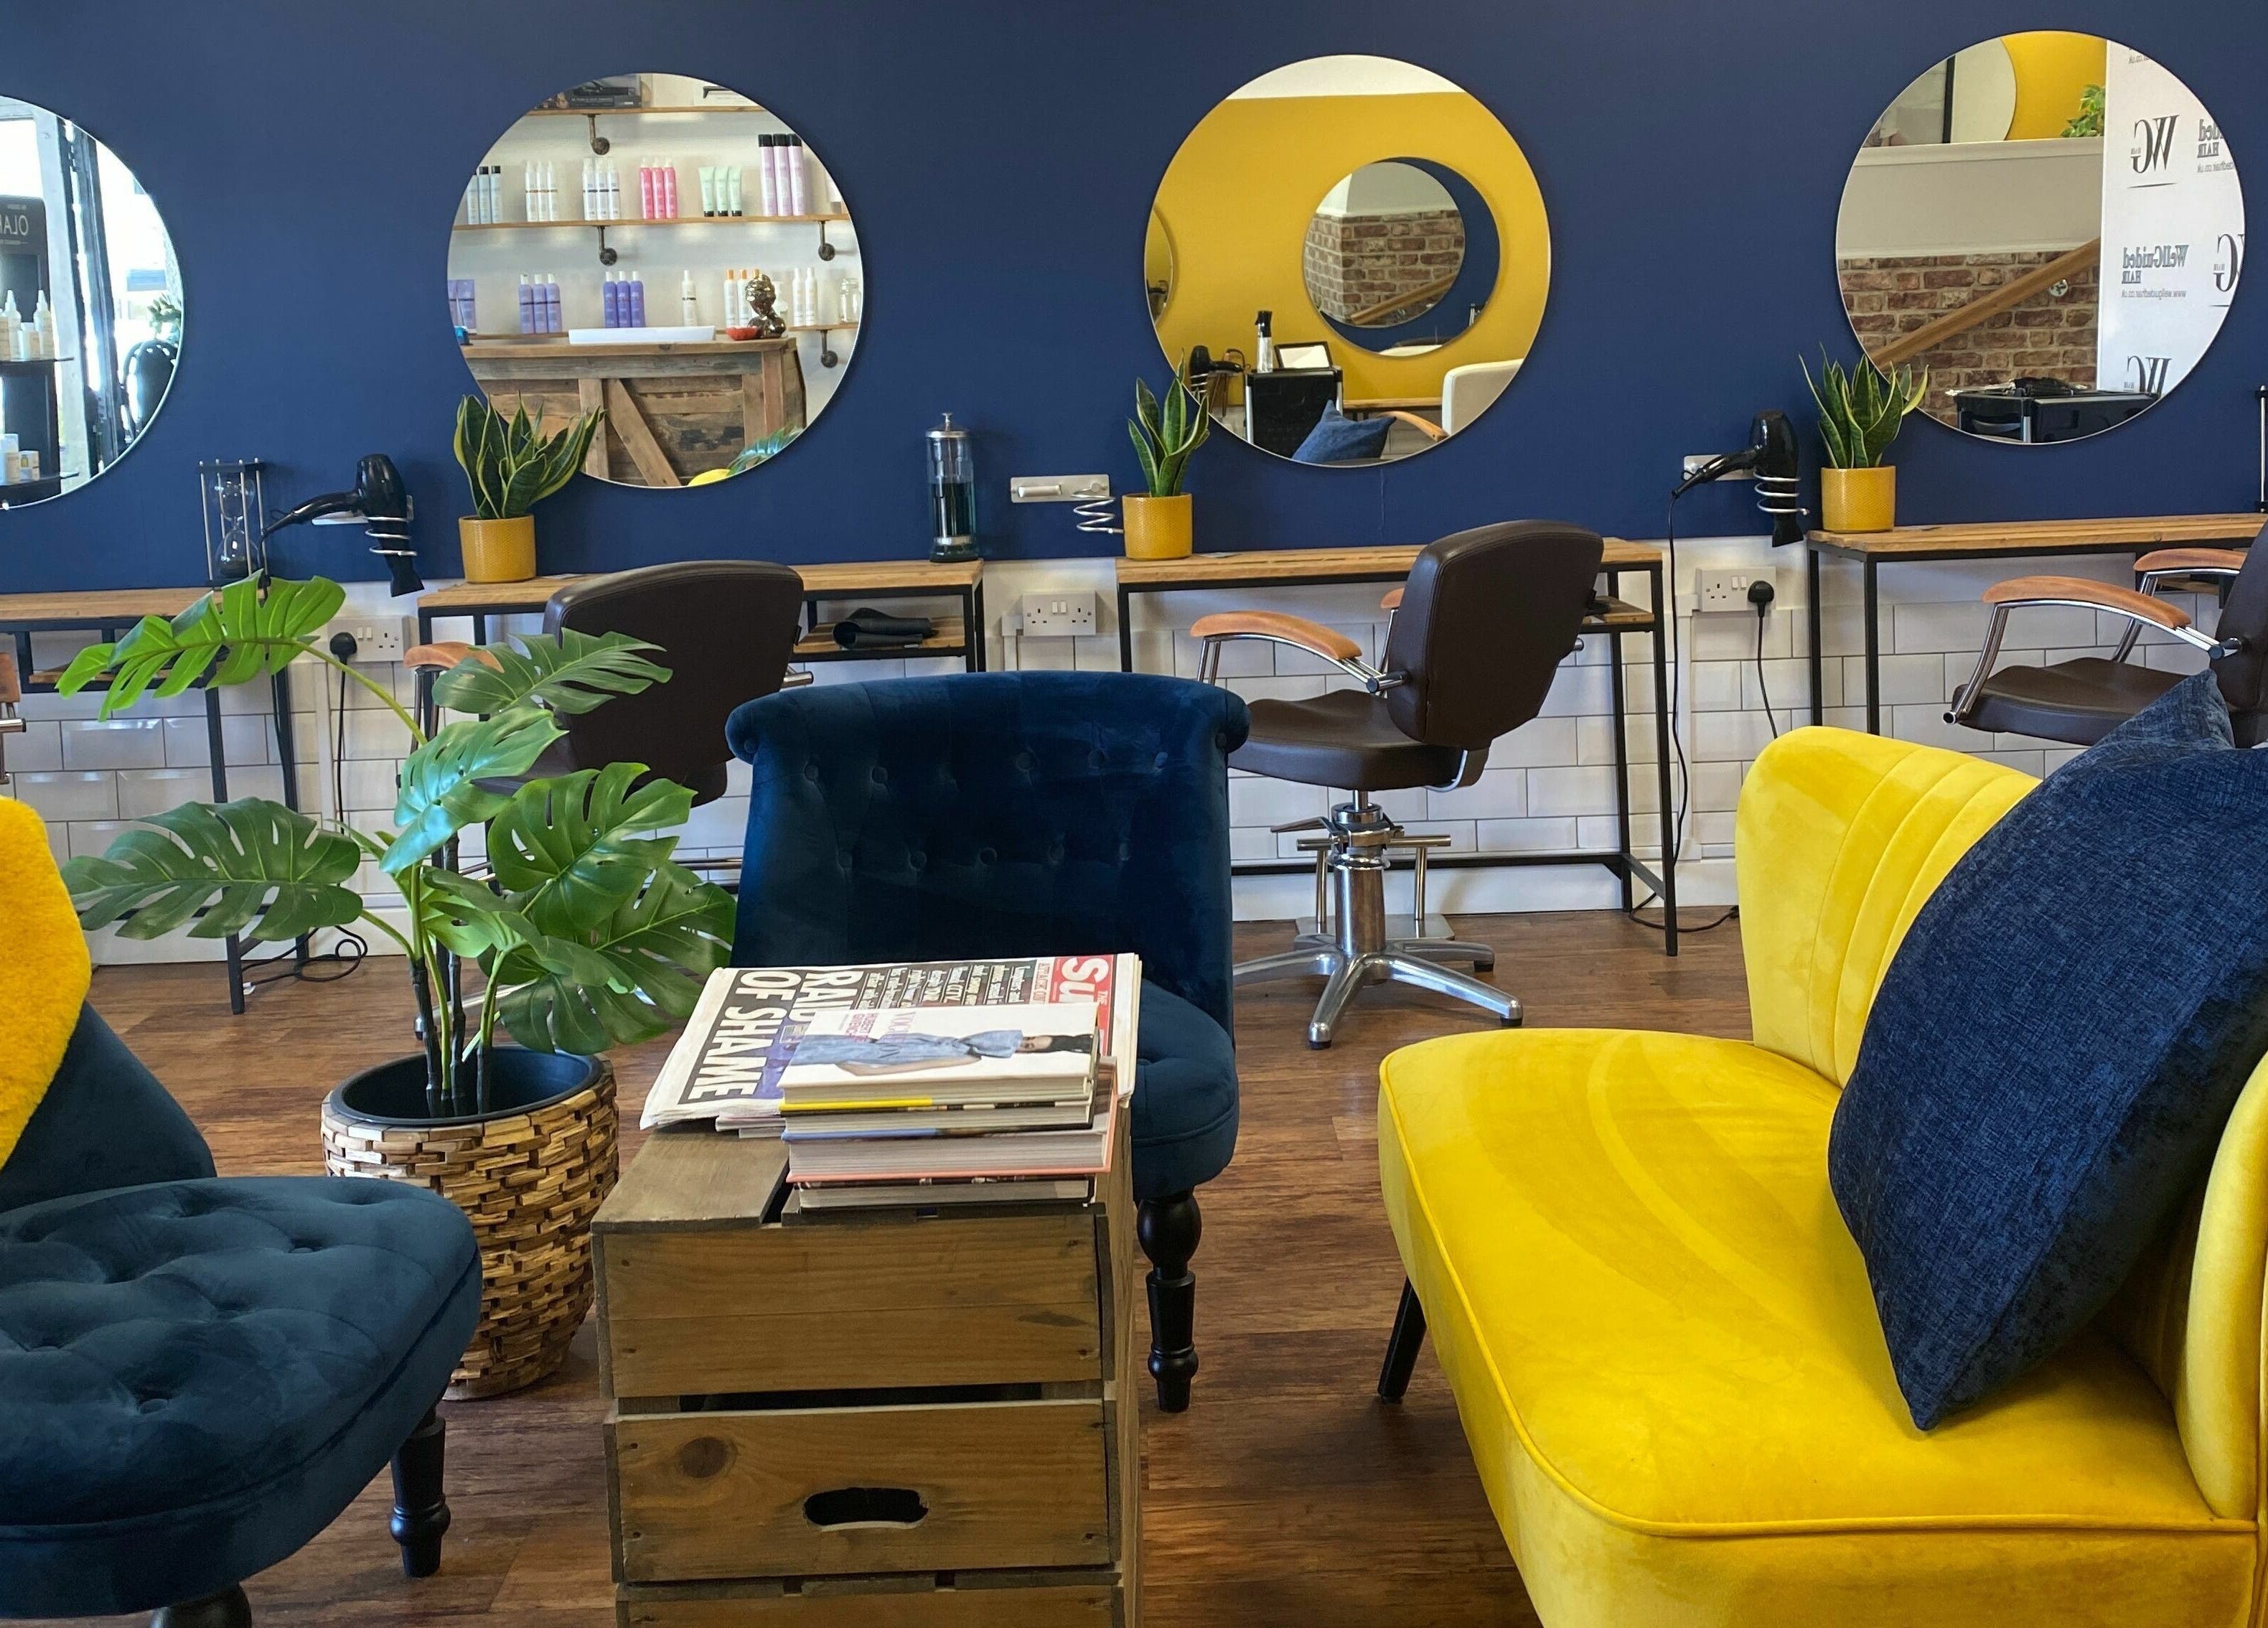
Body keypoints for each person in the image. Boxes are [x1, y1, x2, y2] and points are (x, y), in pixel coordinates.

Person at [787, 1026, 1092, 1076]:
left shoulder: (966, 1055)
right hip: (857, 1042)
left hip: (858, 1055)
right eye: (1029, 1038)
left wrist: (861, 1069)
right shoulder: (954, 1037)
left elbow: (907, 1069)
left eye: (1026, 1048)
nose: (1021, 1043)